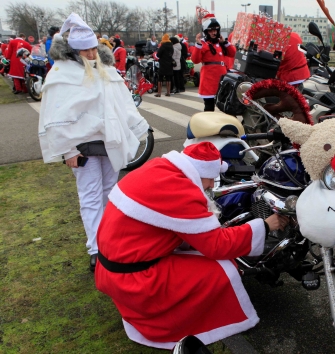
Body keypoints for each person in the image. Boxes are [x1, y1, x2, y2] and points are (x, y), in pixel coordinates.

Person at [94, 141, 288, 349]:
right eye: (210, 179)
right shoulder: (182, 191)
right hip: (137, 280)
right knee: (225, 270)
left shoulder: (160, 168)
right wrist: (265, 226)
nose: (212, 186)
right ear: (201, 171)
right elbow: (218, 245)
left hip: (111, 268)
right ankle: (183, 321)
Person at [38, 13, 149, 272]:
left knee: (110, 192)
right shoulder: (61, 74)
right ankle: (95, 249)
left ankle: (111, 242)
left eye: (92, 48)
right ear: (74, 50)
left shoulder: (105, 69)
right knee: (89, 196)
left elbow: (121, 101)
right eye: (85, 49)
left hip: (109, 139)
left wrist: (134, 127)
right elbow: (56, 112)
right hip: (83, 145)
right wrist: (68, 150)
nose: (90, 53)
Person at [192, 13, 236, 111]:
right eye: (211, 30)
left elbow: (232, 53)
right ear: (206, 32)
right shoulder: (203, 43)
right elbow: (195, 60)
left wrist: (225, 42)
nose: (213, 33)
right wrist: (198, 45)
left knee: (226, 106)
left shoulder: (220, 43)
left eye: (215, 30)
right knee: (209, 107)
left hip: (222, 79)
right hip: (209, 80)